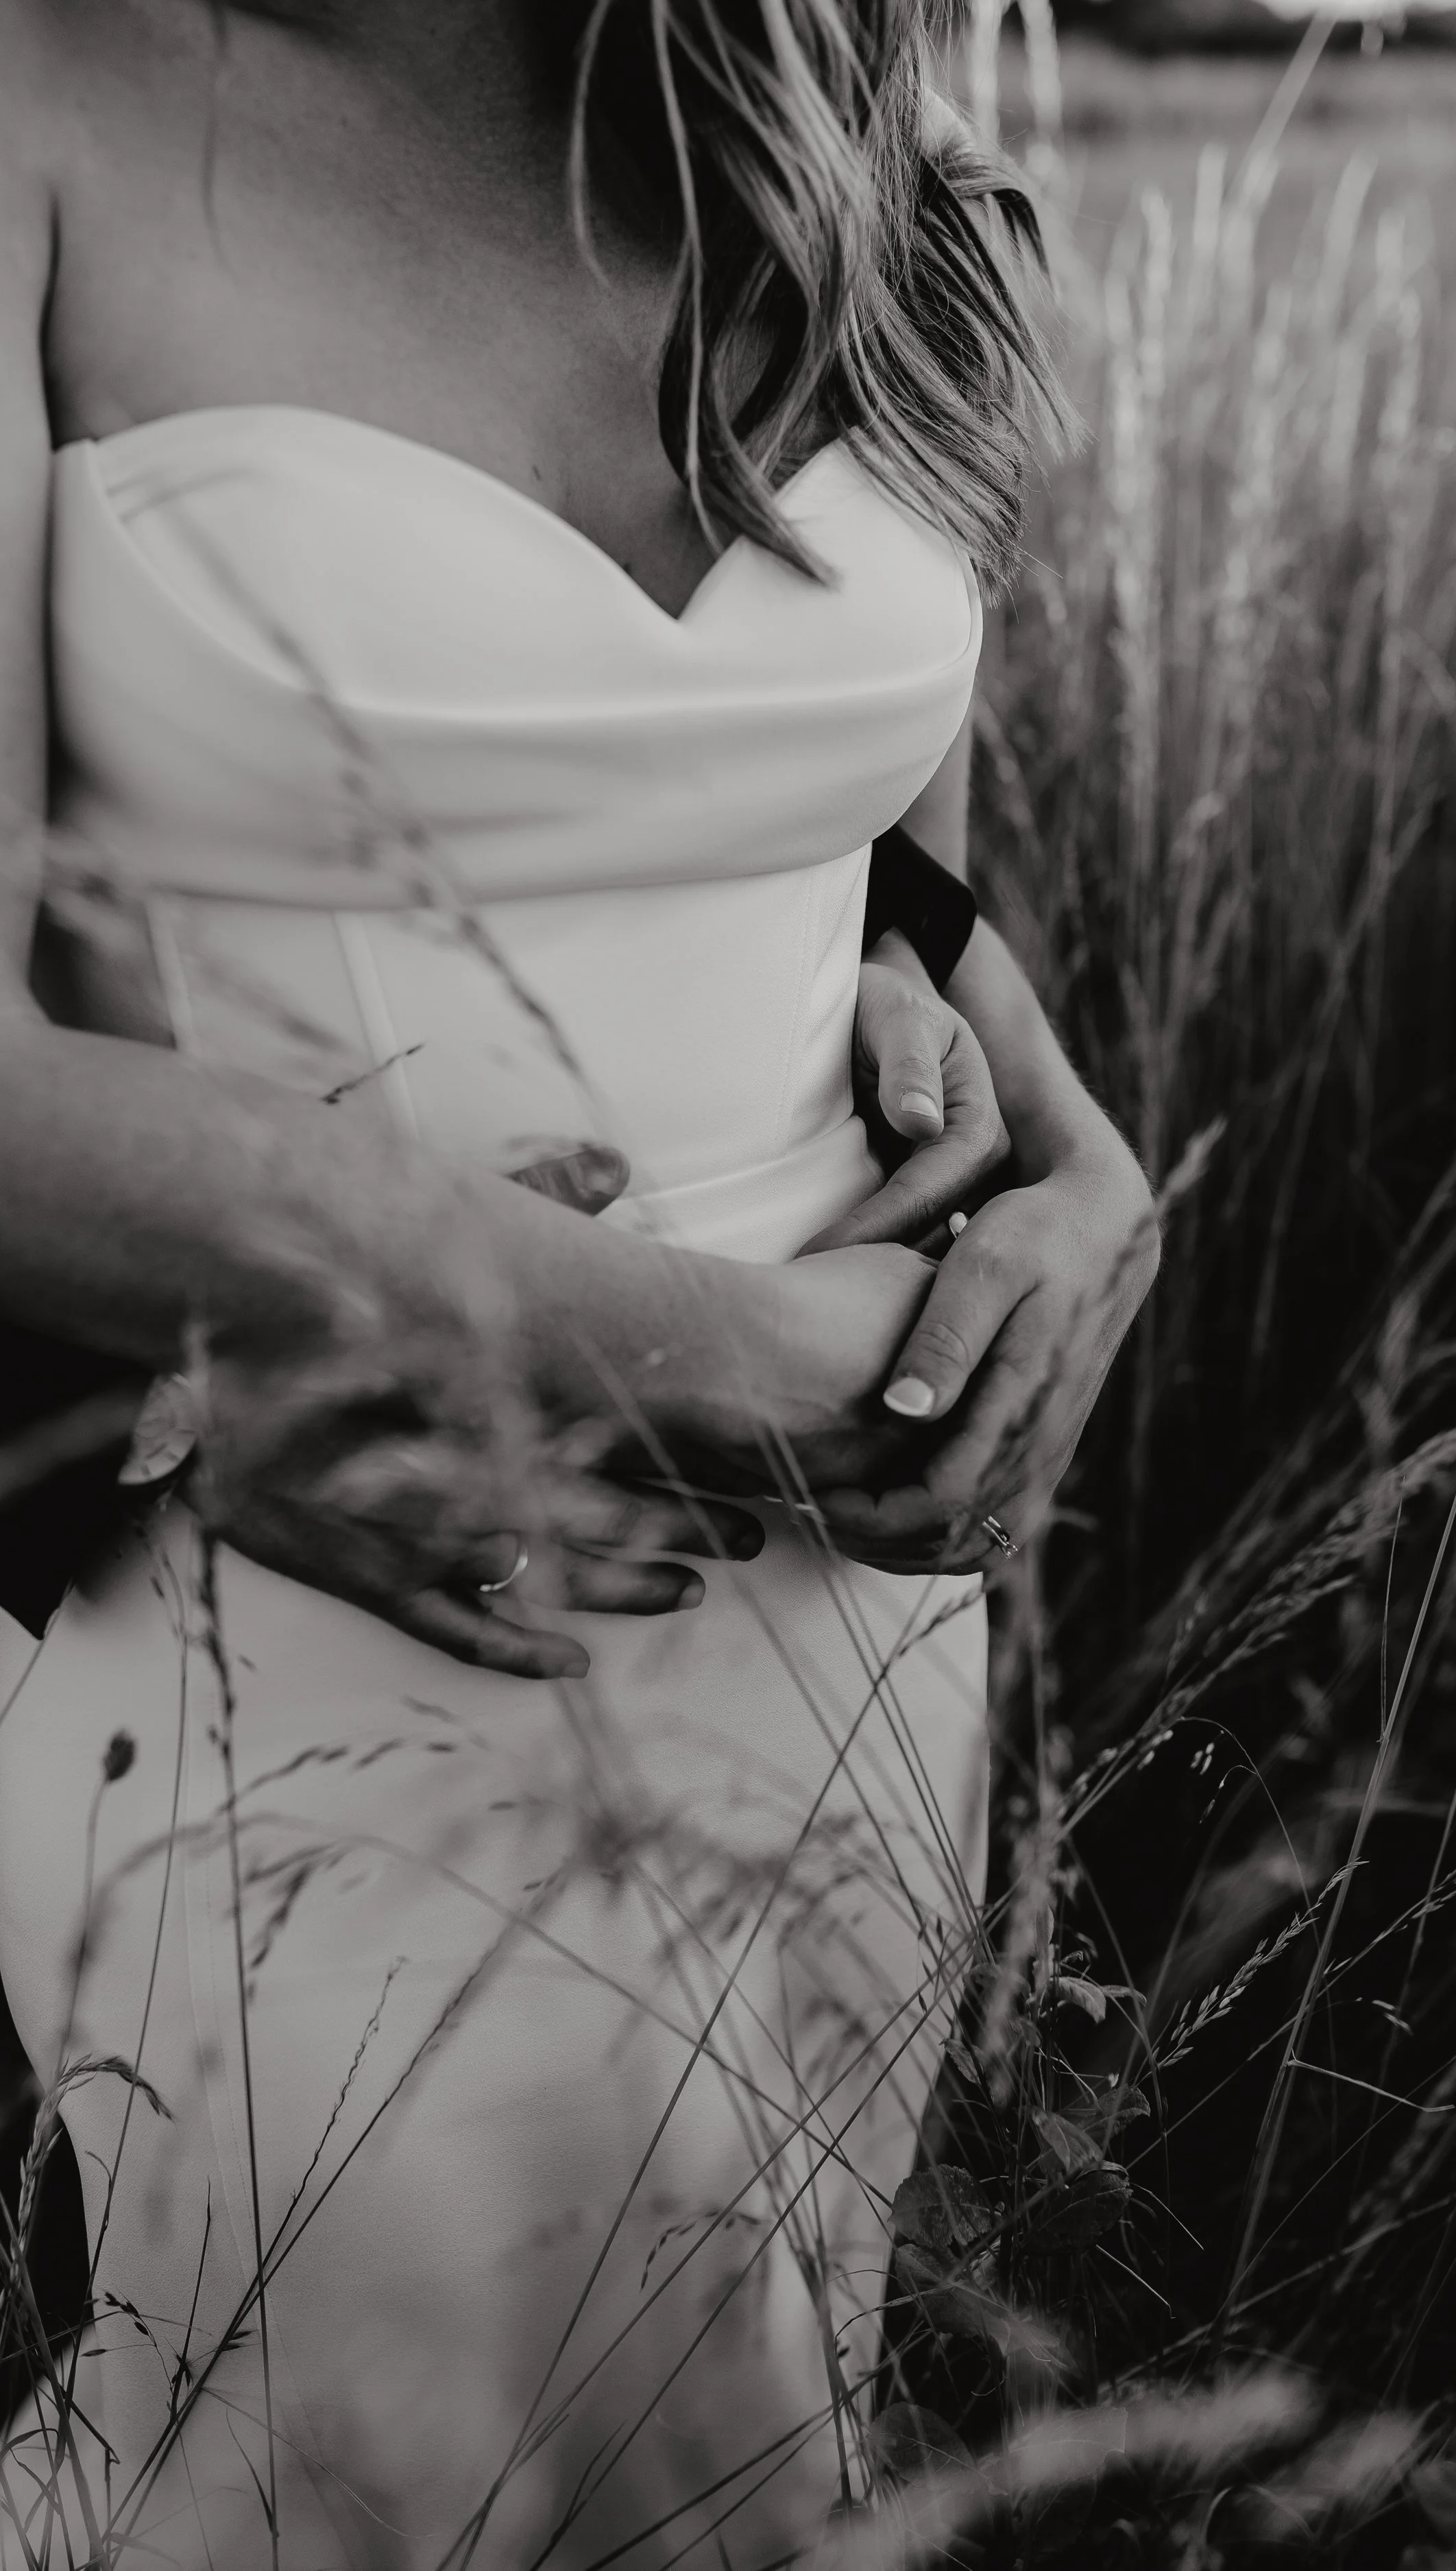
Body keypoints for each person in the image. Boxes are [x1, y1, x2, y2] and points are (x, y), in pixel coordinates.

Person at [0, 3, 1159, 2562]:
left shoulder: (870, 159)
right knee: (305, 2454)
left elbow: (871, 856)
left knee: (751, 2417)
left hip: (843, 1609)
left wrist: (1082, 1159)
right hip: (319, 1557)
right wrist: (723, 1352)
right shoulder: (46, 105)